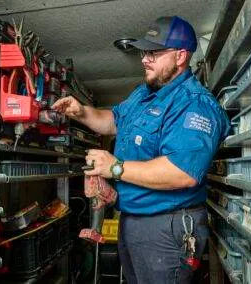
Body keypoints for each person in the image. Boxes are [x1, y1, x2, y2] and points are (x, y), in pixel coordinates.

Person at [52, 15, 231, 284]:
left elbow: (182, 172)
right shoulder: (144, 93)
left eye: (154, 53)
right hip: (134, 220)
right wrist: (82, 112)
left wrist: (115, 167)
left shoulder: (194, 104)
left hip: (166, 227)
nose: (144, 59)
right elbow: (113, 121)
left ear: (181, 56)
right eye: (144, 52)